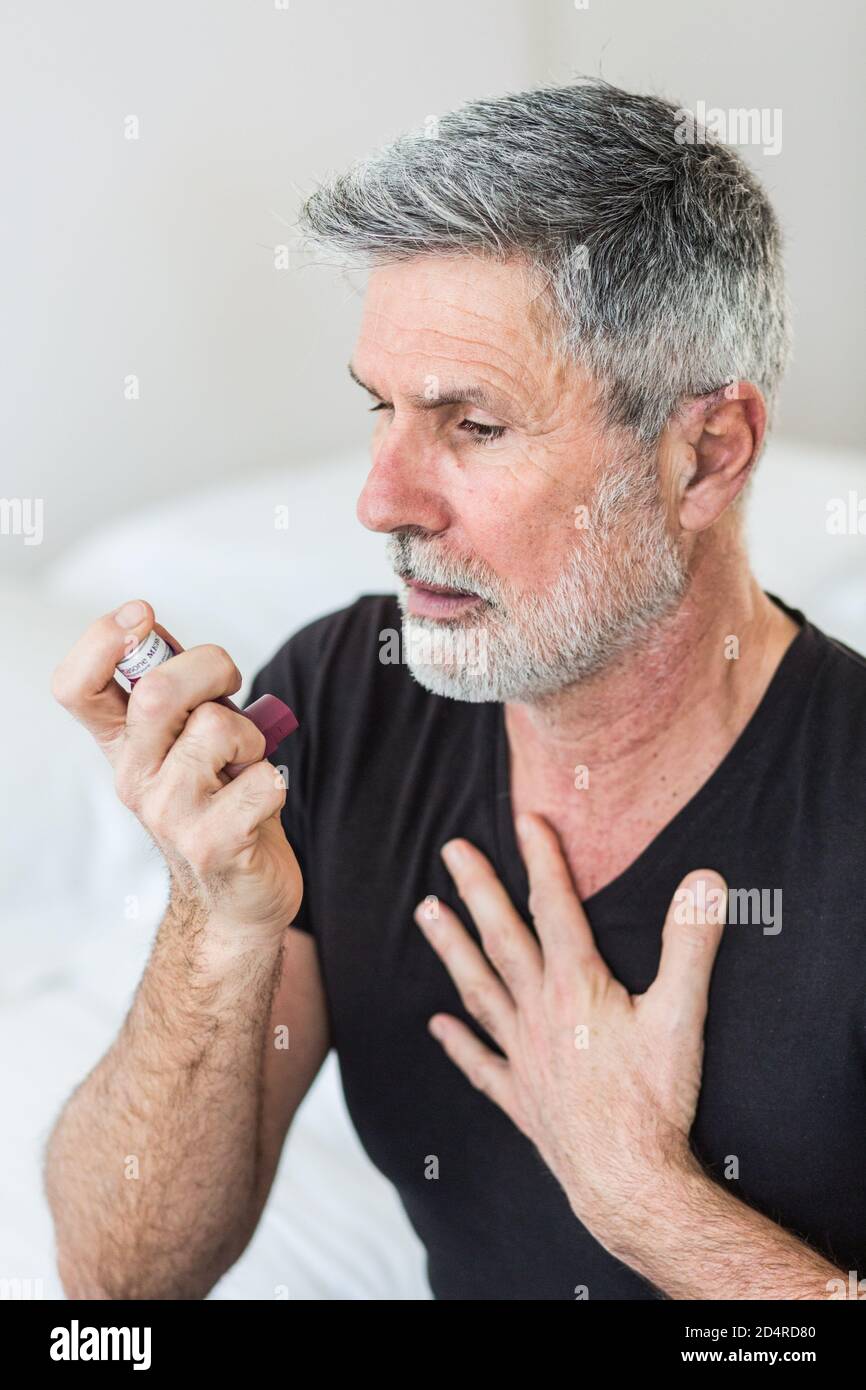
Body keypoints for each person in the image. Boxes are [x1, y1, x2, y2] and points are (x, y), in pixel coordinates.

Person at [45, 80, 866, 1301]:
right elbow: (116, 1286)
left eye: (471, 425)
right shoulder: (339, 700)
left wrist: (643, 1197)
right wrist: (215, 928)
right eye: (381, 408)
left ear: (707, 453)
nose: (380, 501)